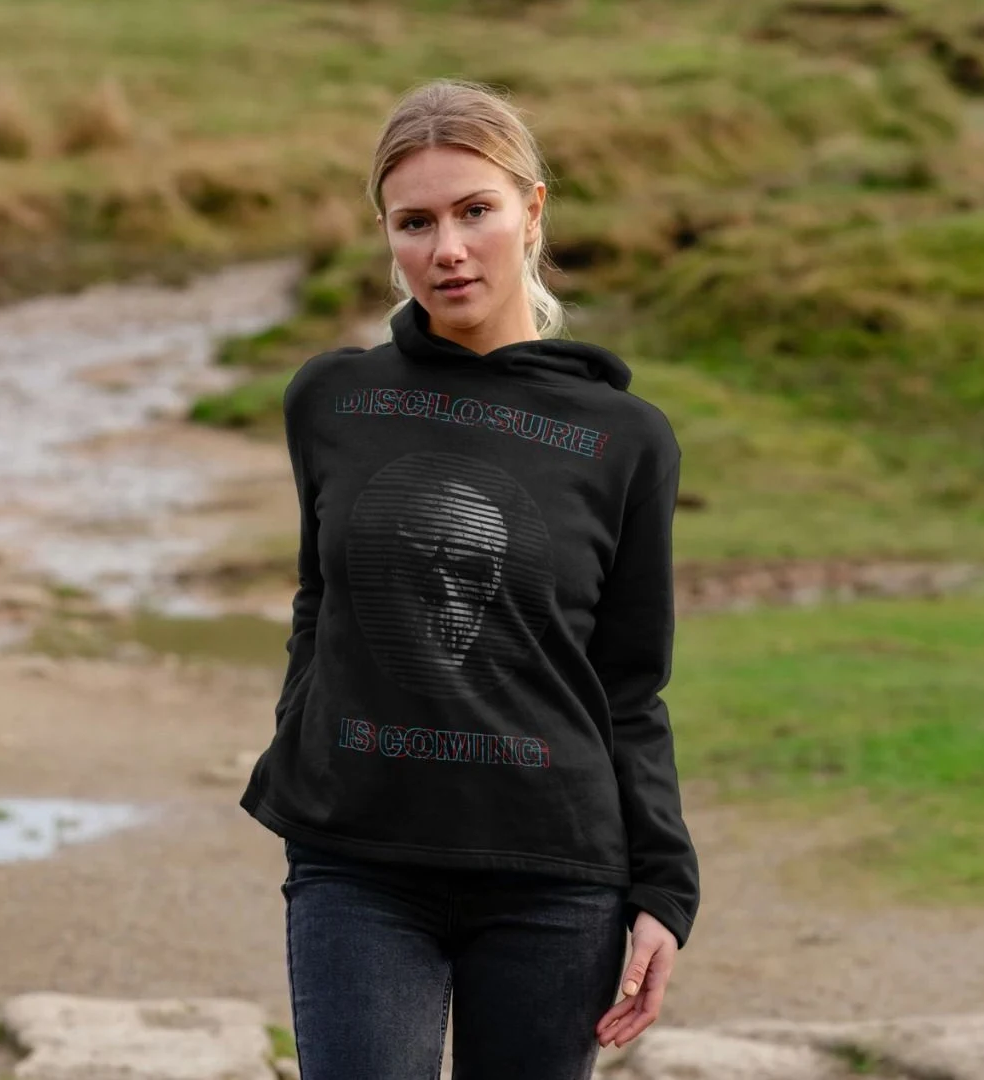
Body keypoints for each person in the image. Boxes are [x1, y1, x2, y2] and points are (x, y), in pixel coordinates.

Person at [240, 77, 700, 1080]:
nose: (447, 248)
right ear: (388, 236)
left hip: (555, 879)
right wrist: (305, 737)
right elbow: (321, 601)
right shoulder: (333, 401)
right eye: (416, 222)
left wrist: (664, 886)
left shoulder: (624, 439)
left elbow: (629, 683)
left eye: (474, 211)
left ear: (531, 212)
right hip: (357, 864)